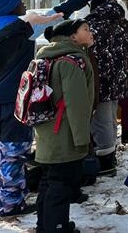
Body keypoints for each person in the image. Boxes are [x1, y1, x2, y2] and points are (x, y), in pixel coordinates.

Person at [0, 0, 62, 216]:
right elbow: (55, 12)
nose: (25, 6)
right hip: (13, 102)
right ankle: (11, 204)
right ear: (11, 7)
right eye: (20, 2)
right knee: (13, 152)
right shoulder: (20, 29)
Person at [35, 19, 95, 233]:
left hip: (45, 132)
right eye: (86, 29)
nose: (91, 32)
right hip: (66, 132)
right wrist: (82, 140)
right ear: (72, 36)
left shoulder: (45, 57)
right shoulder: (72, 62)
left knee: (48, 181)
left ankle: (45, 225)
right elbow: (77, 105)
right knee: (60, 184)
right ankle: (57, 228)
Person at [83, 0, 128, 176]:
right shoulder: (119, 15)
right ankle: (108, 154)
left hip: (100, 76)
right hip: (117, 75)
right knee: (110, 117)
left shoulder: (94, 20)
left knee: (102, 118)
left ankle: (105, 161)